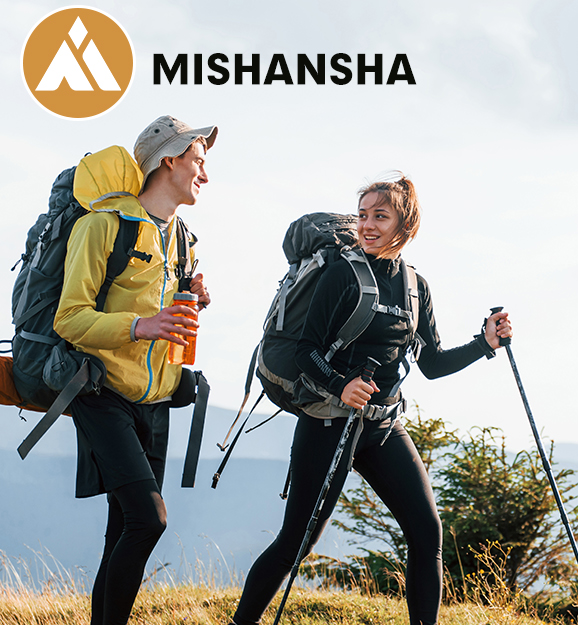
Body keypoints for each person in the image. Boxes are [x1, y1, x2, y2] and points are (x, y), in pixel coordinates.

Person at [231, 174, 511, 625]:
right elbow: (306, 351)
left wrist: (485, 344)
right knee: (296, 543)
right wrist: (342, 383)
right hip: (329, 422)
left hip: (382, 428)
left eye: (380, 216)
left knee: (427, 532)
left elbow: (432, 364)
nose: (367, 225)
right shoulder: (341, 273)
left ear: (406, 225)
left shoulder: (417, 287)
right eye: (363, 215)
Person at [54, 115, 215, 625]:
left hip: (157, 401)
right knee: (149, 520)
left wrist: (191, 305)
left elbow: (165, 320)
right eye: (198, 160)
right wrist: (143, 325)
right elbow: (70, 318)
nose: (204, 175)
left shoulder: (184, 238)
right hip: (101, 391)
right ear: (169, 158)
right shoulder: (101, 226)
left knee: (123, 527)